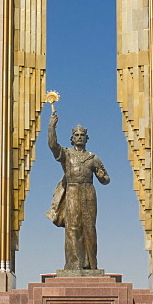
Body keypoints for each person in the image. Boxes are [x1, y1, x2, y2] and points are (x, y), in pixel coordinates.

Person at [45, 111, 109, 270]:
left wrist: (101, 176)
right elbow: (53, 146)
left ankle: (90, 264)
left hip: (88, 192)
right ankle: (74, 265)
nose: (79, 137)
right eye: (76, 135)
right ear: (72, 138)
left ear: (86, 138)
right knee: (73, 227)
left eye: (82, 135)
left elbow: (106, 179)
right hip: (72, 190)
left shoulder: (93, 158)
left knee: (89, 227)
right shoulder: (66, 154)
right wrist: (51, 126)